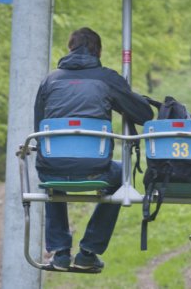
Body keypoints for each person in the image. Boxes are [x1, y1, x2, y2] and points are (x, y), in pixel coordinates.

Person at [33, 27, 154, 271]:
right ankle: (88, 251)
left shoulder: (50, 81)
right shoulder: (107, 79)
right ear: (98, 51)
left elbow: (39, 127)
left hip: (52, 169)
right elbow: (144, 115)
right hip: (95, 170)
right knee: (122, 175)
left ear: (70, 48)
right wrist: (128, 96)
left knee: (52, 168)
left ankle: (60, 251)